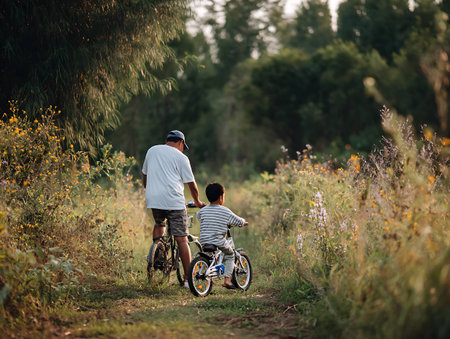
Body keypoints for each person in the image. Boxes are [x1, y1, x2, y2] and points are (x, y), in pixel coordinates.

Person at [142, 130, 206, 287]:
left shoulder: (152, 150)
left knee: (159, 224)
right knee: (182, 239)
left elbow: (145, 176)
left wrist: (150, 191)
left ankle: (157, 255)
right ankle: (187, 279)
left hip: (153, 199)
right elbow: (191, 184)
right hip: (174, 202)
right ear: (181, 143)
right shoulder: (181, 157)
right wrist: (197, 201)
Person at [197, 182, 248, 289]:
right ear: (221, 197)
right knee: (230, 255)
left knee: (211, 256)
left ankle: (210, 277)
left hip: (204, 239)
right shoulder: (225, 211)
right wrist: (243, 222)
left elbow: (199, 216)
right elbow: (237, 220)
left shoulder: (203, 210)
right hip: (218, 240)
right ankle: (227, 280)